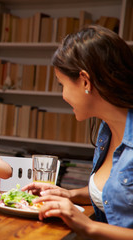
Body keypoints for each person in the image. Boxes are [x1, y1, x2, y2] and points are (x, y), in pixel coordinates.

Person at [21, 25, 133, 239]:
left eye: (62, 84)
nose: (63, 95)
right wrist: (69, 194)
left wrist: (89, 226)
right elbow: (114, 194)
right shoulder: (106, 131)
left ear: (84, 81)